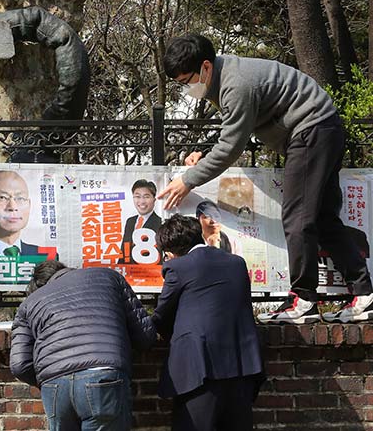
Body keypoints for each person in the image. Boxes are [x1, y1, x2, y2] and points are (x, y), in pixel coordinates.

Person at [157, 33, 373, 324]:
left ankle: (304, 298)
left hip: (311, 130)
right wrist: (204, 153)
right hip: (323, 128)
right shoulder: (224, 78)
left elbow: (232, 145)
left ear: (206, 67)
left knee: (297, 217)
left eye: (187, 81)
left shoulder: (236, 85)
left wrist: (188, 180)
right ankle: (364, 293)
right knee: (322, 219)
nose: (186, 89)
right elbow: (233, 128)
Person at [10, 260, 156, 431]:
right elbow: (145, 335)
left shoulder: (29, 304)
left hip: (54, 386)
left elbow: (19, 365)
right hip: (101, 373)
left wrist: (48, 378)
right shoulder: (107, 276)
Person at [152, 214, 264, 431]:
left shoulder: (178, 267)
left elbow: (161, 316)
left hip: (199, 369)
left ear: (170, 251)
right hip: (242, 366)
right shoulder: (237, 263)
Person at [0, 170, 41, 257]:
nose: (13, 207)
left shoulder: (45, 257)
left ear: (29, 205)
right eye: (2, 197)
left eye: (20, 198)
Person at [122, 179, 162, 246]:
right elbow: (123, 249)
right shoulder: (130, 221)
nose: (142, 201)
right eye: (137, 196)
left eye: (146, 197)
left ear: (154, 200)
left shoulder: (160, 223)